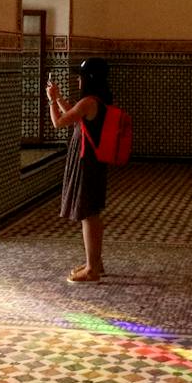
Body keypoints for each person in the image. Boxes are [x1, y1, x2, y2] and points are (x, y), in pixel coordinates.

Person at [47, 57, 112, 282]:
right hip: (92, 160)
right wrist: (59, 98)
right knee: (91, 211)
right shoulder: (98, 101)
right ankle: (95, 262)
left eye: (80, 76)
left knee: (88, 213)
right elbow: (76, 116)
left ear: (89, 79)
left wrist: (51, 102)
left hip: (87, 161)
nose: (78, 80)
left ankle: (92, 270)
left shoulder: (88, 102)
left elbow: (59, 122)